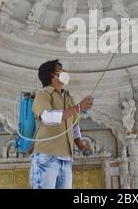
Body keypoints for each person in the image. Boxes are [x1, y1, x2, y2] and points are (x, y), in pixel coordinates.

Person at [30, 59, 93, 189]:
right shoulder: (43, 94)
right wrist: (78, 107)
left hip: (66, 158)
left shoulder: (68, 98)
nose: (65, 72)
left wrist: (81, 146)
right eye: (60, 69)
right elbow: (47, 117)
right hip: (46, 156)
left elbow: (74, 125)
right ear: (52, 75)